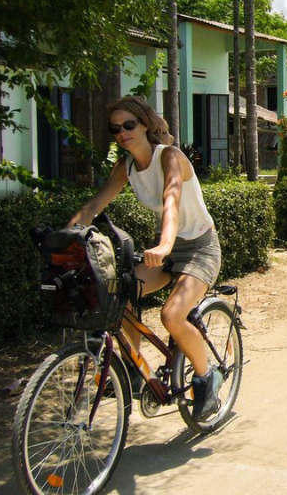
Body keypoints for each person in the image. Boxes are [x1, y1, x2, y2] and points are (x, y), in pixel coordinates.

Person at [67, 96, 223, 421]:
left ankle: (207, 376)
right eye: (115, 129)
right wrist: (63, 238)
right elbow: (94, 206)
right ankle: (133, 370)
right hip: (165, 250)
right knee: (117, 298)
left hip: (199, 247)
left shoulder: (170, 157)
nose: (122, 133)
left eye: (128, 125)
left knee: (172, 315)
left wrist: (166, 244)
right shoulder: (125, 167)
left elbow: (171, 200)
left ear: (145, 124)